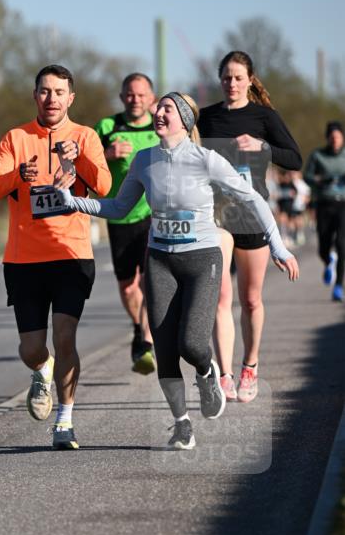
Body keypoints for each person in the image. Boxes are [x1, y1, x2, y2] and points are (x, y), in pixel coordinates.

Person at [56, 93, 299, 450]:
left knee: (193, 344)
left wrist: (277, 245)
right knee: (166, 351)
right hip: (160, 260)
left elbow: (253, 199)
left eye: (167, 108)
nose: (158, 112)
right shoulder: (144, 160)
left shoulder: (207, 160)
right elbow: (120, 207)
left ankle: (207, 372)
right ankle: (181, 423)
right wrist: (73, 201)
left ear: (184, 120)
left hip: (202, 259)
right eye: (159, 108)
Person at [0, 64, 111, 450]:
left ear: (71, 98)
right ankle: (42, 369)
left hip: (71, 254)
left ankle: (65, 421)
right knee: (32, 348)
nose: (51, 99)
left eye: (58, 92)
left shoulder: (85, 137)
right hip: (24, 259)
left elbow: (103, 186)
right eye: (44, 91)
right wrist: (18, 174)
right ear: (35, 95)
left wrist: (80, 159)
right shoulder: (16, 138)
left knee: (65, 336)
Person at [199, 52, 302, 403]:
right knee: (220, 298)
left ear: (249, 80)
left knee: (251, 299)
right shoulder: (207, 117)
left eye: (238, 78)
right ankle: (224, 375)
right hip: (217, 217)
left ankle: (250, 366)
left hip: (251, 215)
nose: (232, 84)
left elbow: (295, 157)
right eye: (226, 78)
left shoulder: (263, 116)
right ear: (220, 80)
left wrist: (263, 146)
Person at [95, 73, 159, 374]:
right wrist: (106, 155)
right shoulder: (108, 127)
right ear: (122, 97)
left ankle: (146, 341)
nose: (136, 100)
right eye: (130, 95)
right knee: (127, 286)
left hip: (151, 216)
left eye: (141, 94)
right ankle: (137, 327)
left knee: (149, 281)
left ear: (151, 98)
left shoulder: (158, 128)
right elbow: (83, 162)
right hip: (119, 216)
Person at [304, 121, 345, 302]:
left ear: (342, 138)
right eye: (332, 137)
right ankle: (329, 261)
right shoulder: (318, 155)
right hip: (324, 203)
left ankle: (338, 286)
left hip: (343, 203)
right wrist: (320, 181)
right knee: (323, 246)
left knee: (343, 245)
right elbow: (307, 176)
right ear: (327, 138)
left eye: (338, 137)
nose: (335, 140)